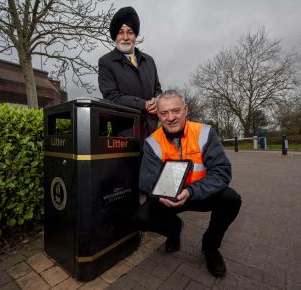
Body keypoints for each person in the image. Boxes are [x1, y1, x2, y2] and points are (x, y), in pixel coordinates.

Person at [134, 90, 242, 277]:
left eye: (175, 111)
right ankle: (173, 230)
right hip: (167, 198)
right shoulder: (152, 142)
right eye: (164, 113)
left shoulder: (205, 133)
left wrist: (191, 191)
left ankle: (210, 247)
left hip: (200, 194)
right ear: (157, 115)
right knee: (140, 218)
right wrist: (162, 196)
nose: (170, 118)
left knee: (231, 199)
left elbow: (221, 172)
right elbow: (146, 181)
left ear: (186, 110)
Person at [98, 6, 161, 144]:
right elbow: (111, 96)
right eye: (121, 32)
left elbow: (157, 89)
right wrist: (143, 104)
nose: (125, 37)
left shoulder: (149, 61)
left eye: (130, 32)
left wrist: (157, 101)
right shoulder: (106, 62)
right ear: (115, 35)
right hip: (125, 136)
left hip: (153, 132)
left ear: (135, 35)